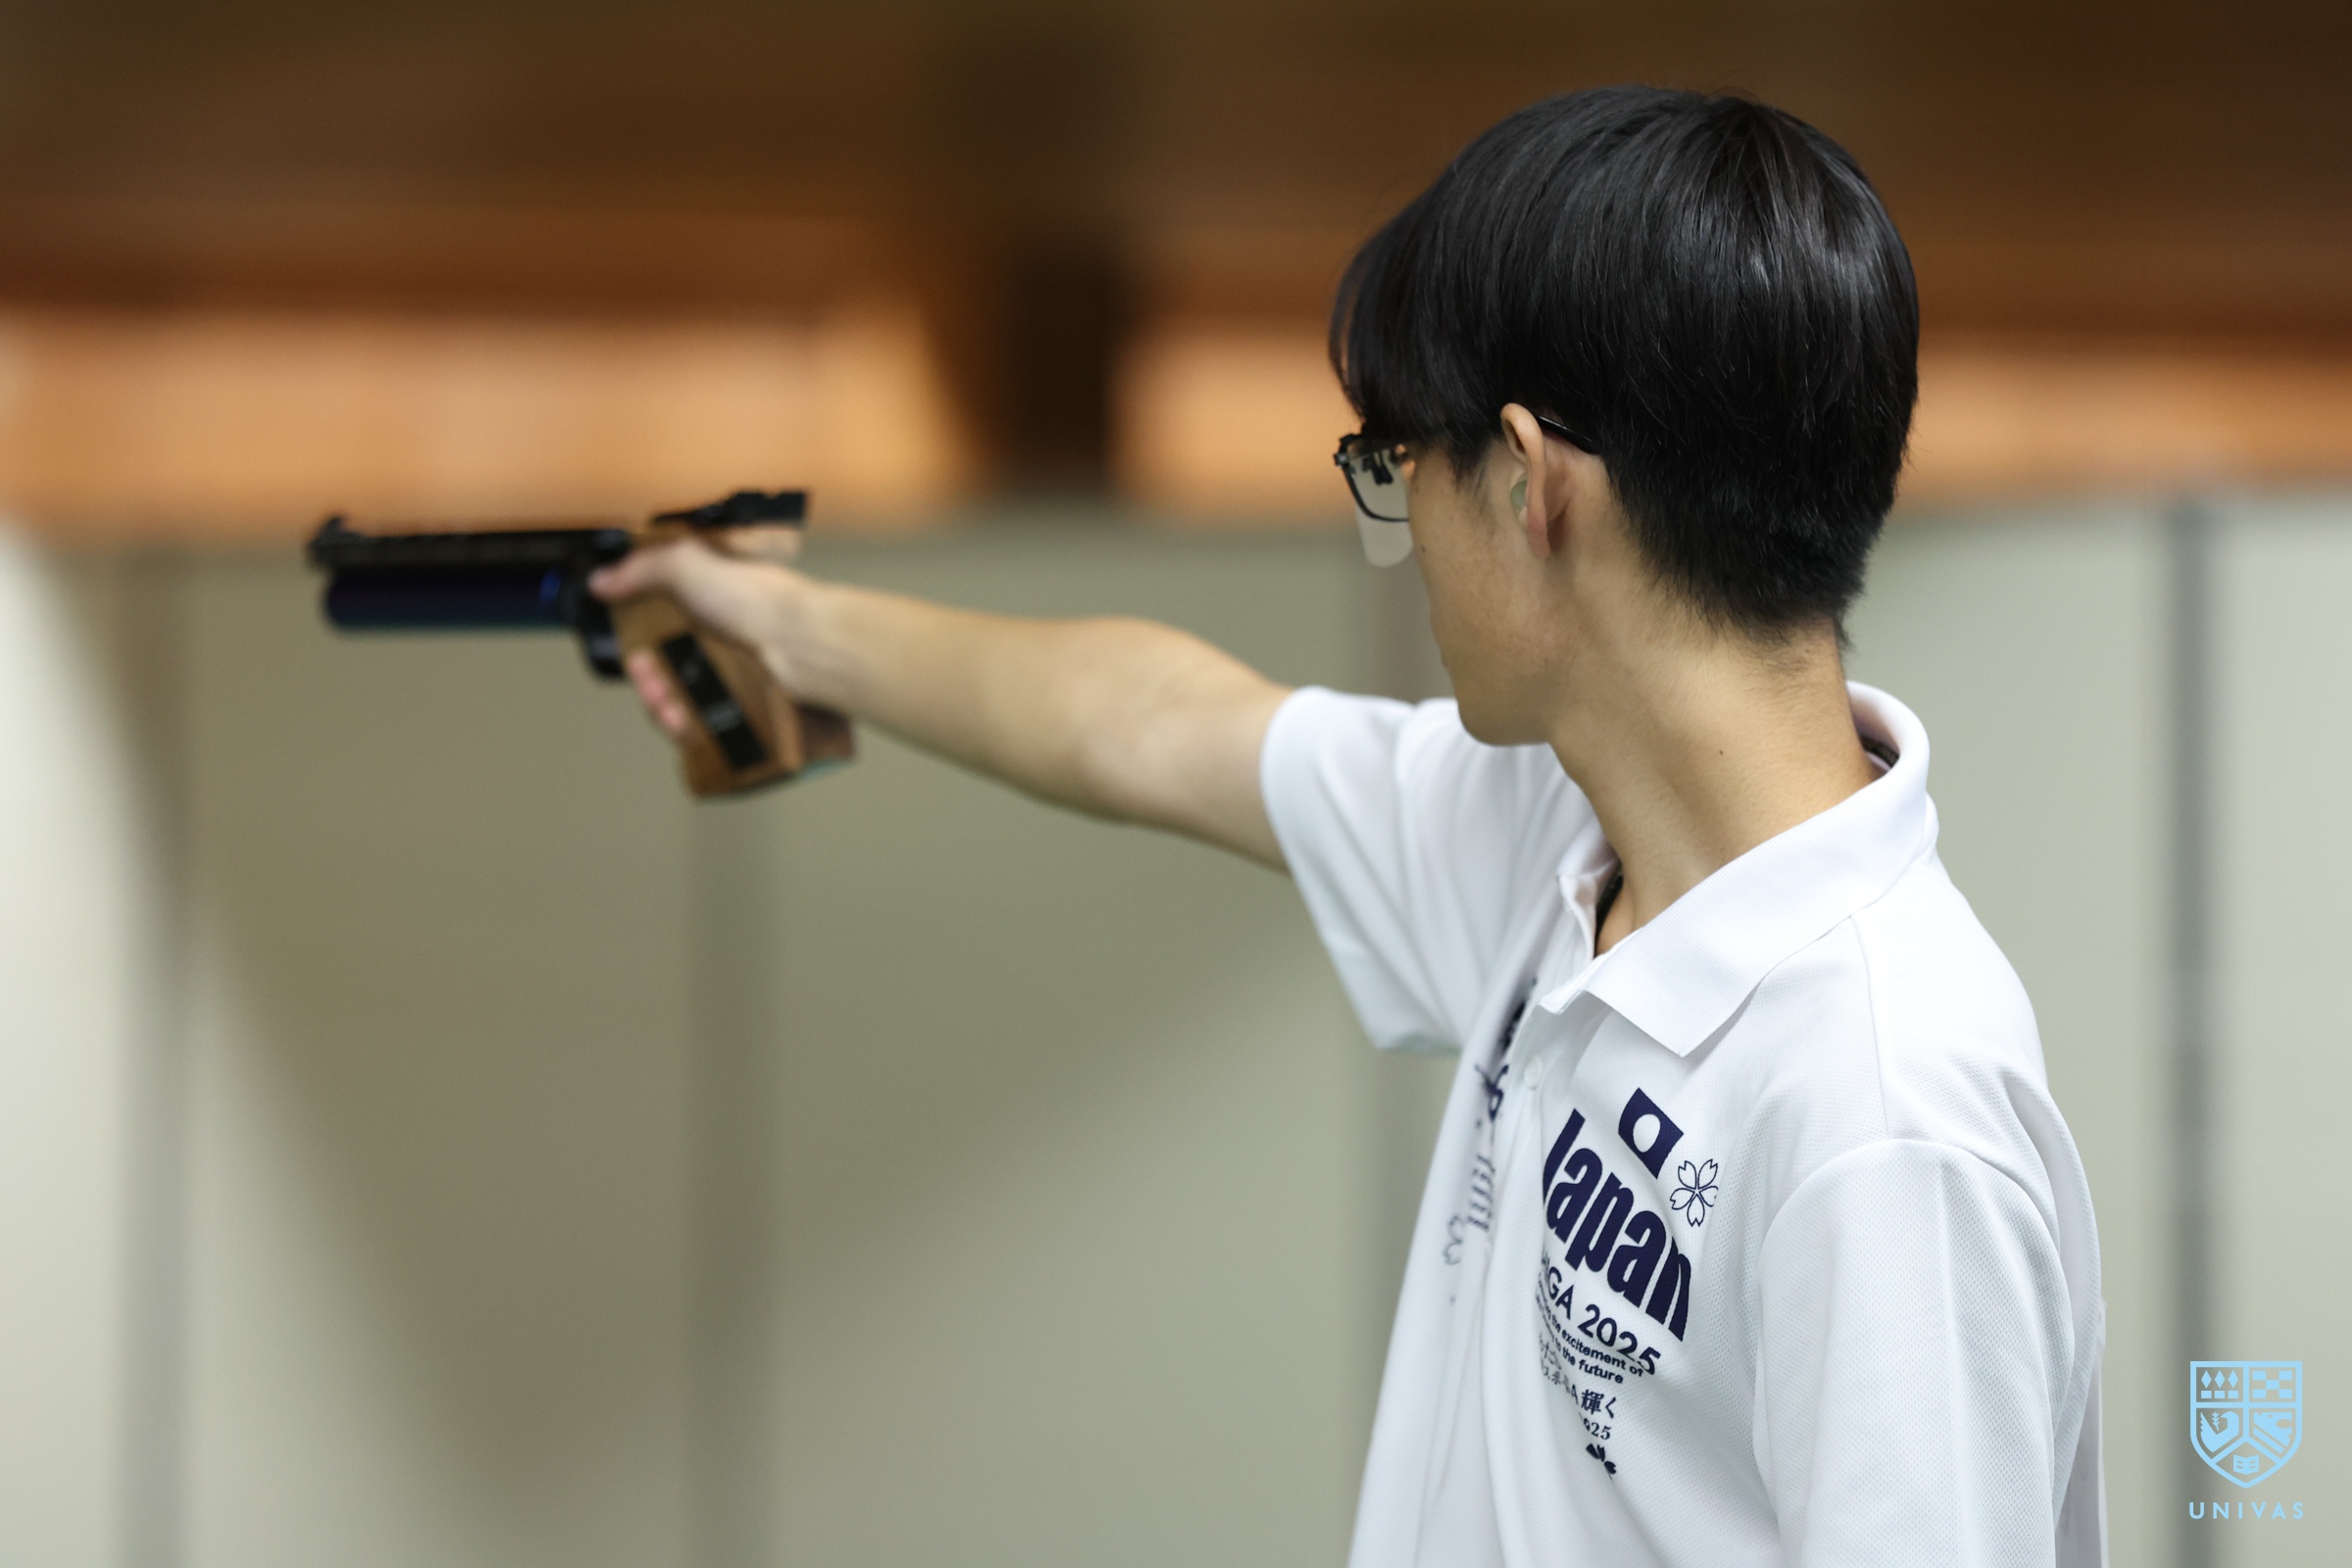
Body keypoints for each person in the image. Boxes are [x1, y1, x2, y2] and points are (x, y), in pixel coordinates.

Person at [593, 85, 2104, 1568]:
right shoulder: (1558, 833)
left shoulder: (1882, 1113)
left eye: (1396, 469)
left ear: (1529, 484)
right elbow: (1151, 727)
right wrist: (785, 629)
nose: (1402, 538)